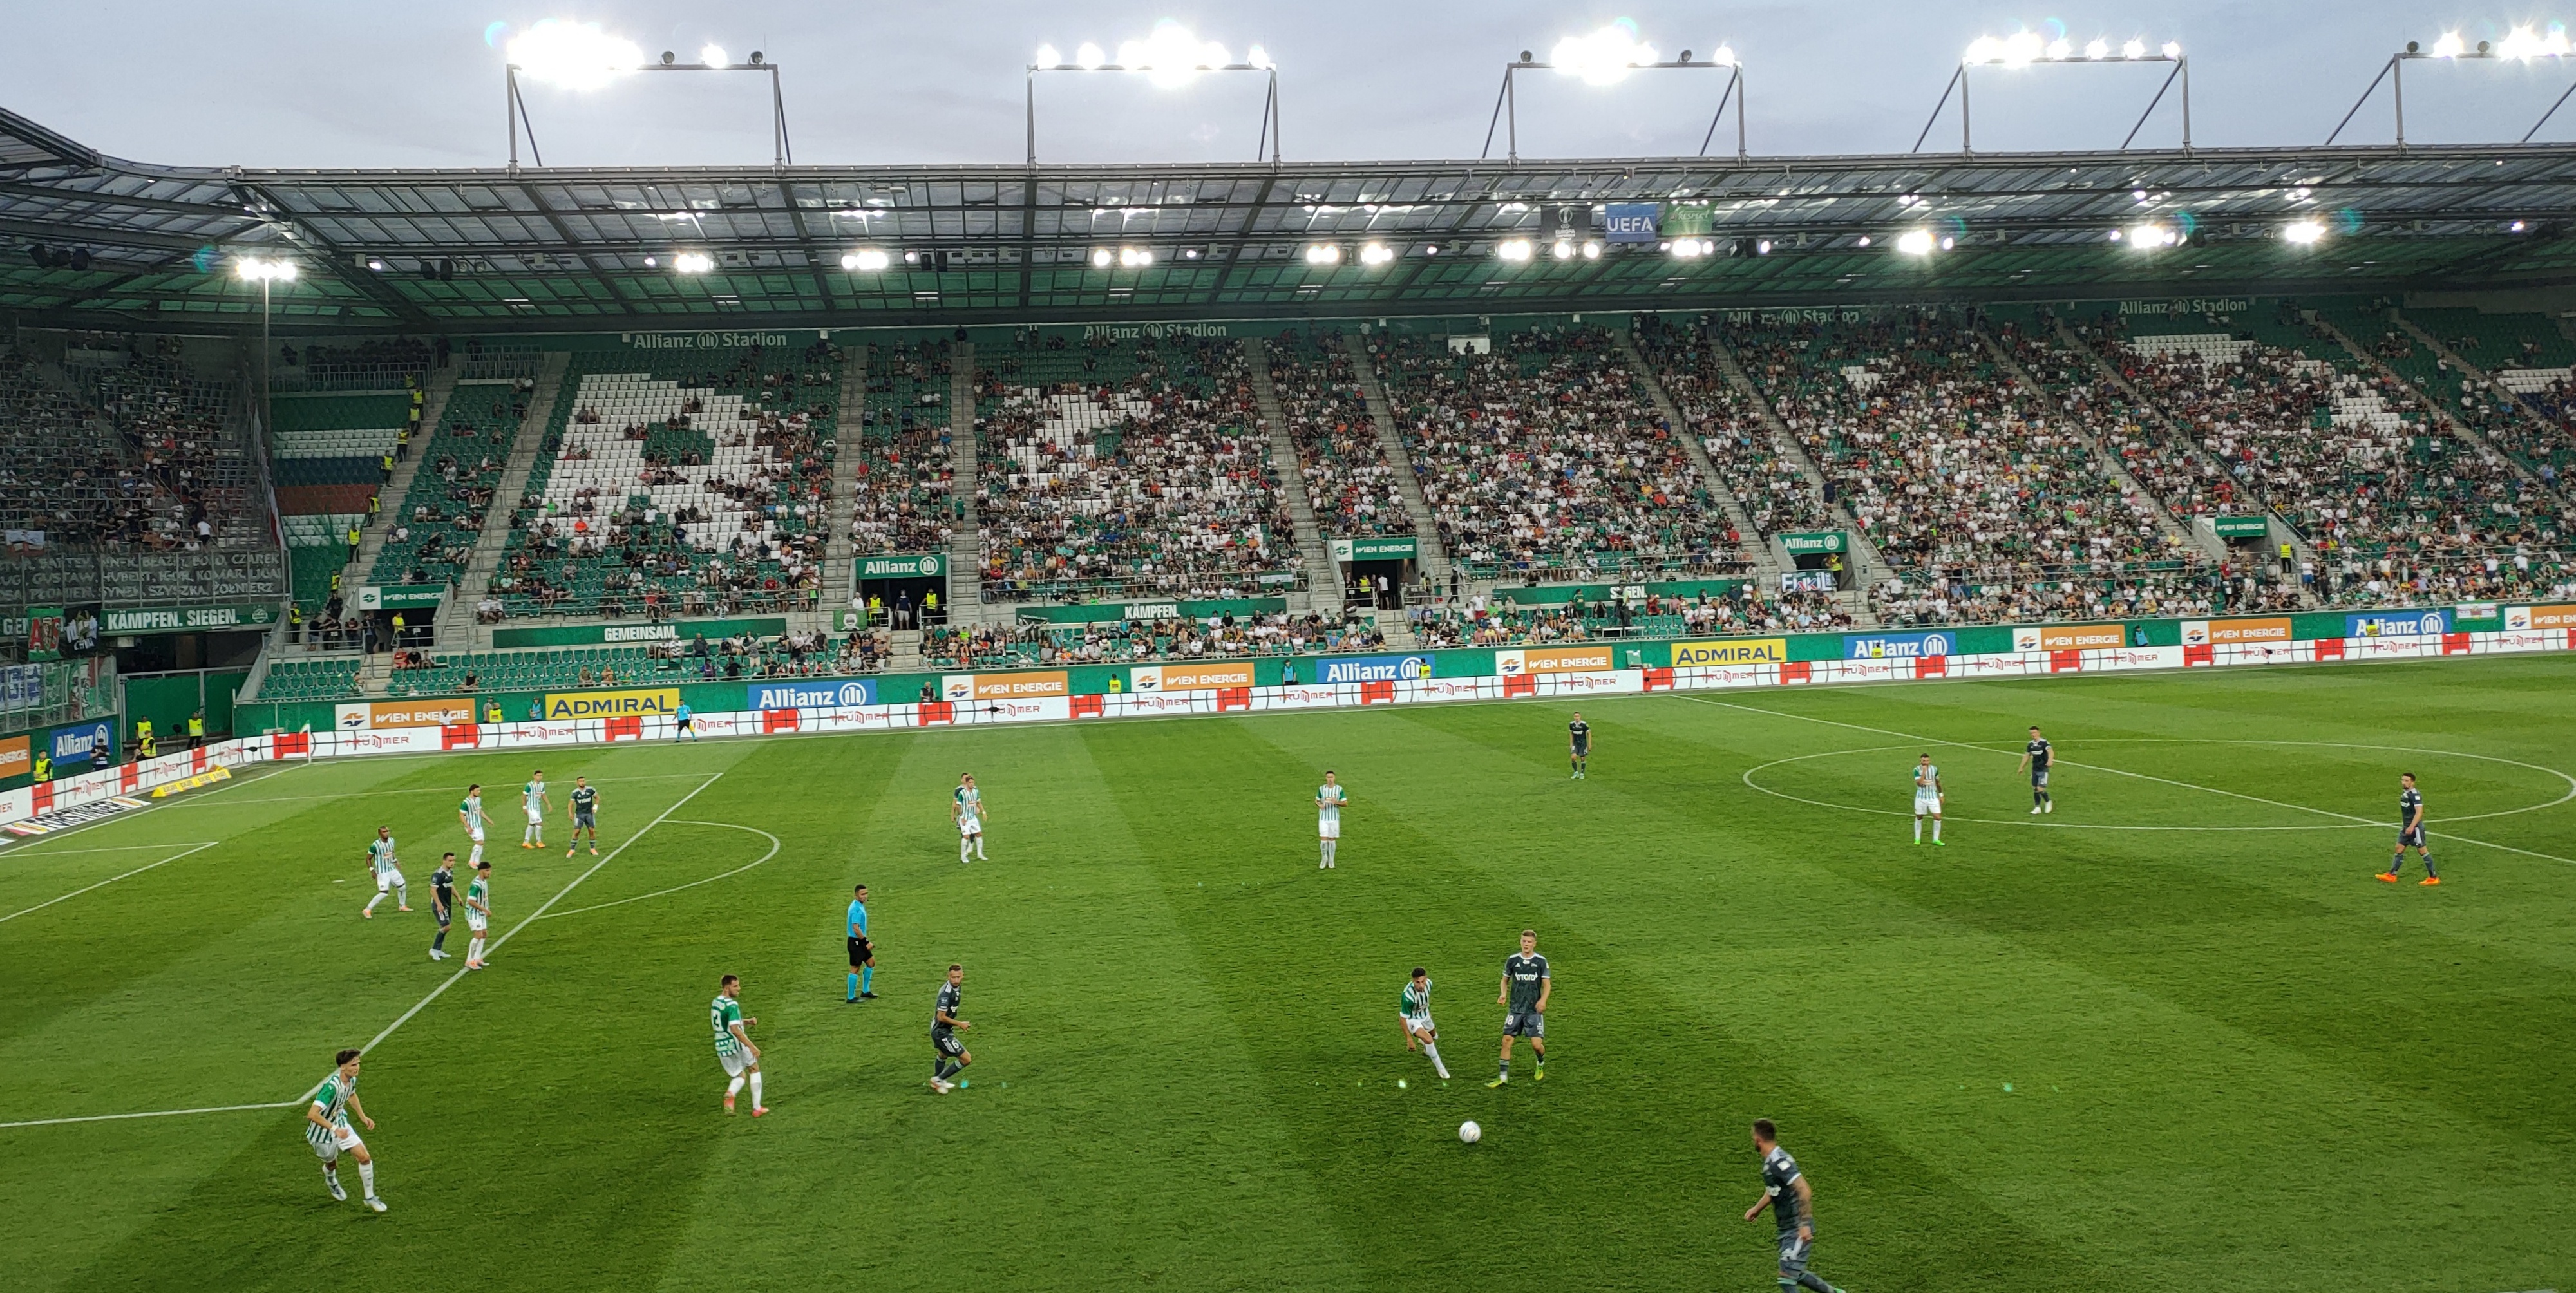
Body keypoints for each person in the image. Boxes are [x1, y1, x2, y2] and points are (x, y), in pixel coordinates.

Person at [1746, 1119, 1842, 1293]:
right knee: (1794, 1273)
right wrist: (1756, 1209)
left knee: (1786, 1279)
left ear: (1758, 1139)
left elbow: (1804, 1189)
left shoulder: (1779, 1162)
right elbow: (1772, 1191)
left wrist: (1804, 1224)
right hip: (1786, 1230)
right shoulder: (1770, 1163)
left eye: (1753, 1137)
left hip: (1796, 1229)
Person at [303, 1048, 386, 1213]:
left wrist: (362, 1117)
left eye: (358, 1063)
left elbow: (352, 1095)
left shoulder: (351, 1080)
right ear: (342, 1067)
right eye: (353, 1065)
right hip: (323, 1134)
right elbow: (312, 1114)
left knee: (365, 1158)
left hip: (341, 1125)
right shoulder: (331, 1088)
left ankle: (369, 1197)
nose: (357, 1068)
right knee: (332, 1164)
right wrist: (334, 1129)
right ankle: (330, 1178)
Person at [1488, 929, 1549, 1087]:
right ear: (1520, 942)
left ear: (1534, 944)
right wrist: (1503, 994)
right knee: (1506, 1041)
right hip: (1515, 1009)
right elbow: (1505, 980)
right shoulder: (1513, 960)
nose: (1526, 944)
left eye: (1529, 942)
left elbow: (1547, 985)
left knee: (1536, 1045)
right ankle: (1502, 1077)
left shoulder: (1541, 961)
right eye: (1524, 941)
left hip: (1533, 1011)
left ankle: (1540, 1062)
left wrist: (1543, 1000)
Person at [712, 974, 768, 1115]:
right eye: (735, 986)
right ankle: (757, 1108)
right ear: (727, 988)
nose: (739, 989)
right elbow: (735, 1030)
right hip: (735, 1044)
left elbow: (727, 1023)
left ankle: (731, 1093)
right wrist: (751, 1046)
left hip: (721, 1046)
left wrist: (747, 1021)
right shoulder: (732, 1005)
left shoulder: (716, 1002)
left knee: (739, 1076)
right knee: (754, 1068)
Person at [2378, 771, 2439, 885]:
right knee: (2399, 848)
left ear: (2412, 782)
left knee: (2422, 851)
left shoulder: (2415, 795)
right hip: (2406, 827)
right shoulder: (2405, 794)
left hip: (2415, 829)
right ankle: (2392, 875)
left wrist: (2412, 827)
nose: (2404, 783)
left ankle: (2433, 877)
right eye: (2403, 780)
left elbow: (2419, 812)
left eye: (2407, 781)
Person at [1401, 967, 1449, 1080]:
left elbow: (1426, 1000)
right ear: (1413, 981)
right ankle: (1441, 1069)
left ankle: (1427, 1050)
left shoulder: (1429, 984)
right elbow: (1402, 1018)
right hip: (1413, 1020)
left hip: (1425, 1015)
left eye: (1423, 981)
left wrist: (1428, 1013)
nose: (1421, 985)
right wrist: (1409, 1039)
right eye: (1418, 982)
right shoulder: (1408, 997)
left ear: (1426, 979)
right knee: (1429, 1040)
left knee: (1434, 1036)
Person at [930, 963, 972, 1094]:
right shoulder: (946, 994)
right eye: (953, 977)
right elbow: (941, 1017)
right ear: (948, 976)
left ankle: (938, 1082)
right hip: (941, 1031)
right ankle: (939, 1080)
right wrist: (960, 1024)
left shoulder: (956, 987)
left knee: (943, 1054)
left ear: (963, 976)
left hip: (941, 1029)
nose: (956, 980)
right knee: (966, 1059)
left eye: (958, 977)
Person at [360, 826, 408, 918]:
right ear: (380, 834)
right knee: (384, 893)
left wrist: (395, 861)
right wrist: (372, 870)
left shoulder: (392, 841)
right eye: (384, 832)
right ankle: (367, 910)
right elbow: (368, 859)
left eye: (387, 831)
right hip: (383, 872)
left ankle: (402, 906)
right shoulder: (375, 845)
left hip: (391, 869)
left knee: (403, 887)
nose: (386, 833)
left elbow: (391, 852)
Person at [846, 883, 878, 1002]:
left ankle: (865, 991)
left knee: (871, 963)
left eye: (866, 893)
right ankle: (851, 997)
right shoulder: (856, 909)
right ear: (856, 895)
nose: (865, 896)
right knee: (855, 968)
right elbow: (856, 928)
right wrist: (866, 942)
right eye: (862, 894)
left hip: (860, 942)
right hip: (856, 943)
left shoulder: (858, 905)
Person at [462, 858, 493, 970]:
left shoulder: (484, 881)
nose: (489, 873)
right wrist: (485, 910)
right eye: (487, 871)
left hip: (480, 912)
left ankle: (477, 958)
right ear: (481, 871)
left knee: (484, 934)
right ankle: (469, 961)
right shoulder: (476, 885)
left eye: (490, 870)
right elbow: (471, 901)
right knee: (478, 935)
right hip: (473, 912)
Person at [427, 851, 457, 961]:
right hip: (439, 905)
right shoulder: (438, 874)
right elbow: (433, 890)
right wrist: (439, 905)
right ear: (444, 861)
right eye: (450, 860)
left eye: (454, 860)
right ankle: (434, 949)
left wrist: (458, 897)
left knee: (444, 927)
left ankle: (438, 949)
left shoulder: (450, 872)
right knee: (446, 926)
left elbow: (450, 886)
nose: (452, 863)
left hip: (447, 904)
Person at [1314, 770, 1348, 869]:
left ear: (1334, 778)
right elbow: (1316, 800)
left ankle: (1331, 860)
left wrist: (1336, 802)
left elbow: (1345, 803)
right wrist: (1319, 805)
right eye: (1328, 777)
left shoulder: (1339, 789)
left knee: (1332, 840)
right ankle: (1324, 858)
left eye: (1331, 777)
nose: (1330, 779)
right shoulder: (1321, 789)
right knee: (1324, 840)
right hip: (1323, 818)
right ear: (1326, 778)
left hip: (1334, 819)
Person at [2017, 725, 2054, 815]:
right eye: (2031, 733)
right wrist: (2021, 767)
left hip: (2043, 769)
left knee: (2040, 788)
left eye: (2034, 733)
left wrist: (2050, 761)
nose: (2033, 735)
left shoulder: (2044, 743)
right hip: (2035, 769)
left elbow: (2051, 752)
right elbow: (2027, 756)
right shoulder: (2030, 744)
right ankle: (2037, 807)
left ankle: (2048, 801)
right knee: (2035, 788)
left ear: (2039, 733)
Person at [952, 773, 987, 864]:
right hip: (965, 819)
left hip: (973, 818)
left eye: (973, 782)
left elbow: (978, 802)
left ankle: (980, 854)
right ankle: (963, 856)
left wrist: (984, 812)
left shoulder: (975, 791)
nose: (972, 784)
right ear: (966, 783)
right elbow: (958, 805)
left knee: (979, 834)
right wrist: (961, 816)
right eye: (970, 782)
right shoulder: (962, 793)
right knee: (966, 836)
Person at [1911, 753, 1944, 846]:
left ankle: (1936, 839)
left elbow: (1938, 782)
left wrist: (1941, 795)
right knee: (1919, 817)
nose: (1925, 763)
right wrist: (1924, 773)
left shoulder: (1935, 769)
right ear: (1921, 761)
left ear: (1930, 761)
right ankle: (1917, 839)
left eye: (1927, 761)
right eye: (1924, 761)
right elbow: (1920, 784)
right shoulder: (1917, 770)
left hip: (1933, 797)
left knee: (1938, 817)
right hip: (1921, 798)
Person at [565, 776, 600, 856]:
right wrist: (570, 813)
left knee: (592, 831)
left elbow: (597, 797)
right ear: (577, 783)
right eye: (580, 781)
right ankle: (572, 850)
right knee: (577, 831)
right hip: (579, 815)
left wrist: (596, 806)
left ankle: (592, 849)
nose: (582, 782)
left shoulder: (591, 790)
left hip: (589, 814)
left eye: (583, 781)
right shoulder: (575, 793)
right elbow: (570, 804)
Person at [458, 783, 488, 868]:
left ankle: (477, 862)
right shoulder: (466, 802)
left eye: (480, 790)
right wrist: (468, 827)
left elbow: (480, 811)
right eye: (477, 790)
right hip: (471, 826)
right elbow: (461, 815)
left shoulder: (478, 800)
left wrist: (488, 820)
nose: (479, 792)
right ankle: (471, 862)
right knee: (480, 842)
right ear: (472, 791)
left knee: (481, 844)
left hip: (478, 825)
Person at [520, 770, 551, 850]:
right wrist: (524, 807)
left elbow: (543, 795)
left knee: (532, 824)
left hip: (537, 808)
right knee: (539, 823)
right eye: (538, 775)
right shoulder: (529, 785)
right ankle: (539, 841)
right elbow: (523, 796)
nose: (539, 777)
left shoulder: (542, 785)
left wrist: (548, 804)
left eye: (541, 775)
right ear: (534, 776)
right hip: (530, 808)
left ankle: (526, 842)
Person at [1567, 711, 1591, 779]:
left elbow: (1589, 733)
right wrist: (1571, 743)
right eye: (1575, 716)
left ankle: (1582, 773)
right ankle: (1576, 772)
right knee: (1573, 757)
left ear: (1580, 717)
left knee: (1582, 758)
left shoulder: (1584, 724)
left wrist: (1589, 744)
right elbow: (1571, 733)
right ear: (1574, 717)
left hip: (1583, 744)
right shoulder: (1571, 724)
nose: (1577, 718)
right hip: (1575, 743)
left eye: (1578, 716)